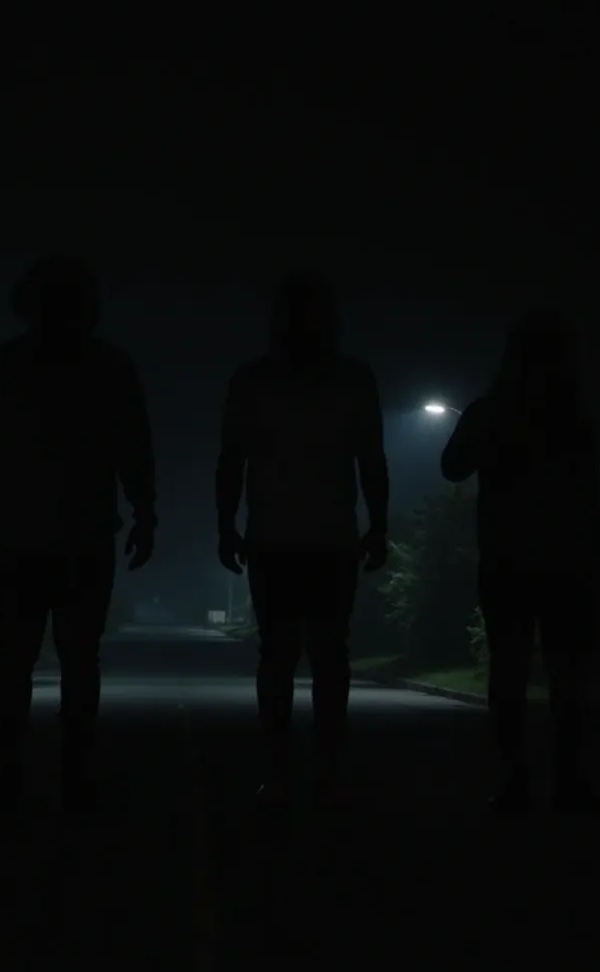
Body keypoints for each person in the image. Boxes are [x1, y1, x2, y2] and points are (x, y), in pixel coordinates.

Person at [0, 255, 157, 811]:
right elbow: (134, 447)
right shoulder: (109, 366)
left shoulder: (3, 364)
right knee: (79, 658)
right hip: (85, 533)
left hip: (19, 530)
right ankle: (75, 771)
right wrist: (145, 514)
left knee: (14, 659)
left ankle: (11, 770)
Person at [215, 272, 389, 806]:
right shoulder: (352, 378)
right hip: (330, 535)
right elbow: (371, 459)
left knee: (279, 656)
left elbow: (232, 459)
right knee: (329, 656)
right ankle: (326, 770)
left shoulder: (254, 379)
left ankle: (280, 770)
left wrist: (226, 525)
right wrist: (378, 525)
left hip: (274, 535)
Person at [440, 307, 600, 812]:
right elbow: (589, 495)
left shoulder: (490, 412)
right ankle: (570, 781)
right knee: (567, 674)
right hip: (567, 562)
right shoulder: (574, 419)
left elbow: (451, 467)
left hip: (506, 559)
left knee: (508, 673)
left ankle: (514, 781)